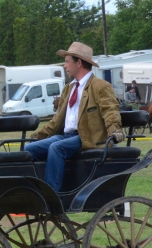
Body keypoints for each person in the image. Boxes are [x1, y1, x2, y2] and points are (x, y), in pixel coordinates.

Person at [25, 42, 124, 193]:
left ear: (79, 63)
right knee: (29, 149)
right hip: (66, 136)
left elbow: (110, 111)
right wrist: (36, 137)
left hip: (88, 137)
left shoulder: (100, 86)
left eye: (67, 61)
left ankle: (52, 195)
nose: (64, 66)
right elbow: (56, 121)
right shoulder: (69, 88)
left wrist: (115, 130)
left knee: (56, 148)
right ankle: (34, 192)